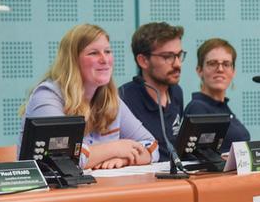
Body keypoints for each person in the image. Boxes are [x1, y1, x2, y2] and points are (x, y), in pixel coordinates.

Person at [21, 24, 159, 169]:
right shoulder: (47, 97)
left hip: (99, 189)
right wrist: (116, 149)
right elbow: (61, 160)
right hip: (51, 191)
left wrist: (124, 159)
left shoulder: (110, 100)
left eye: (107, 51)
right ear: (73, 60)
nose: (105, 60)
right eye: (94, 53)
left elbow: (152, 147)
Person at [119, 22, 185, 162]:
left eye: (179, 55)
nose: (177, 64)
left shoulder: (177, 93)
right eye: (168, 57)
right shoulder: (124, 99)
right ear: (143, 61)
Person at [184, 38, 250, 153]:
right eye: (212, 63)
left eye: (226, 64)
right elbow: (201, 156)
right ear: (199, 70)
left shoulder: (223, 107)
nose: (220, 69)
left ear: (233, 71)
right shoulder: (197, 108)